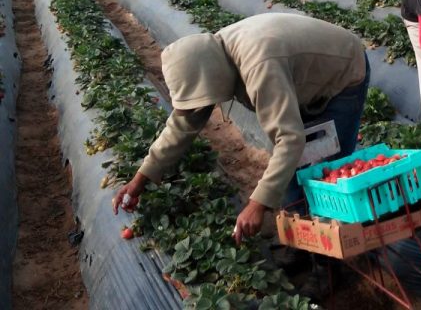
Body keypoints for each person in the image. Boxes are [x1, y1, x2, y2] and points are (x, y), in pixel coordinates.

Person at [112, 13, 369, 245]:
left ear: (211, 78)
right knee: (294, 170)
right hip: (300, 81)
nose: (205, 104)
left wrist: (257, 204)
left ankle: (333, 256)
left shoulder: (257, 66)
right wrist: (140, 179)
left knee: (327, 173)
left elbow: (290, 139)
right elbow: (183, 123)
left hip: (342, 75)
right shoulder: (215, 58)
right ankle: (302, 239)